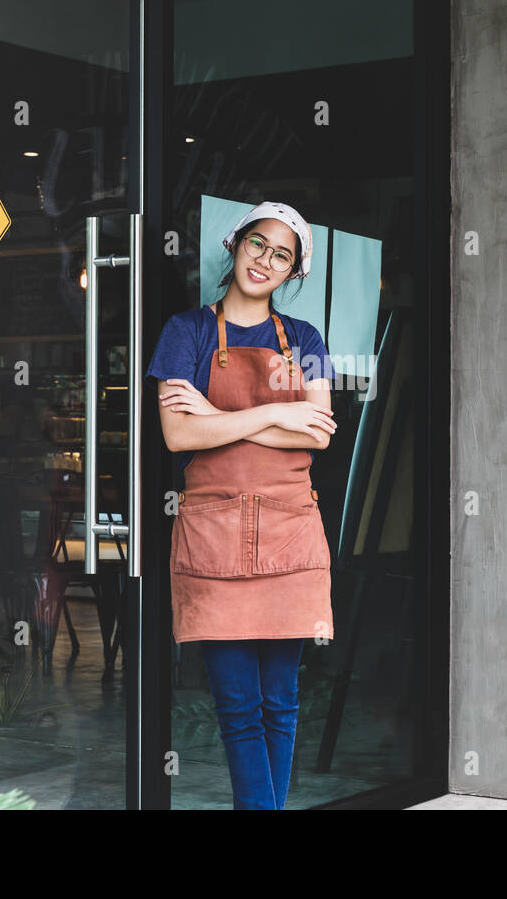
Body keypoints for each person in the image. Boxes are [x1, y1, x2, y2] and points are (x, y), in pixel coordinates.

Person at [144, 200, 337, 810]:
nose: (266, 261)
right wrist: (279, 411)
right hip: (215, 539)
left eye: (282, 255)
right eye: (258, 244)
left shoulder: (305, 339)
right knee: (237, 708)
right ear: (235, 245)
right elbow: (178, 435)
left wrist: (220, 418)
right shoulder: (187, 332)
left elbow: (319, 433)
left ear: (293, 272)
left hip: (290, 536)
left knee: (281, 704)